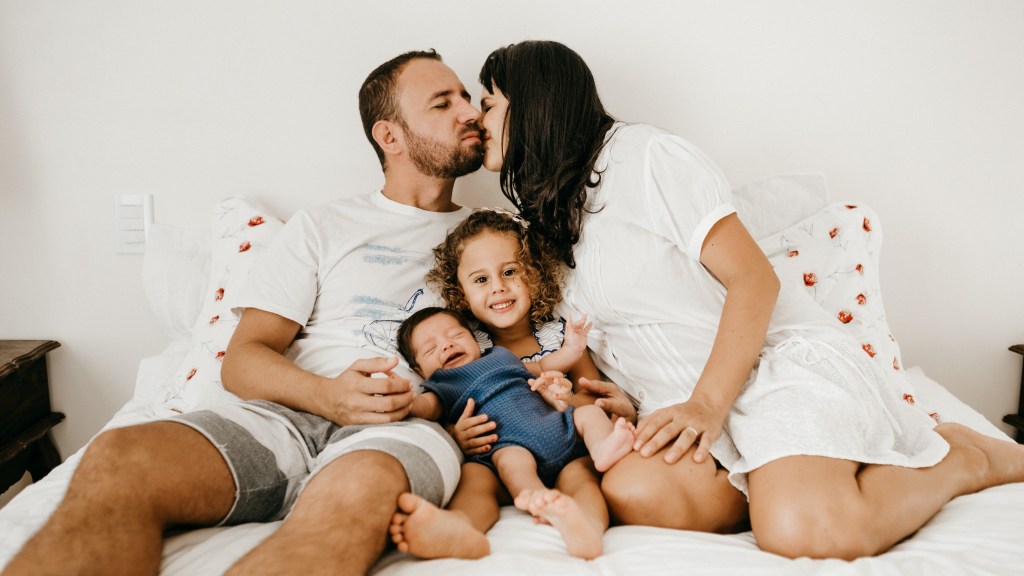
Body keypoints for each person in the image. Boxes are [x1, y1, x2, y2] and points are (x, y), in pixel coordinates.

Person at [473, 39, 1024, 560]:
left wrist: (707, 406)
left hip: (768, 371)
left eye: (489, 104)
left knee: (801, 531)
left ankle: (962, 457)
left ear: (535, 104)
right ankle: (782, 480)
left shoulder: (644, 157)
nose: (478, 120)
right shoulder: (548, 221)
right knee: (634, 489)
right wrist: (618, 394)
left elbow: (755, 280)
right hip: (677, 402)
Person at [4, 49, 498, 576]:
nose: (470, 112)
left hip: (404, 421)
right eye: (443, 103)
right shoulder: (324, 226)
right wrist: (327, 396)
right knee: (117, 459)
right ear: (390, 136)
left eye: (467, 98)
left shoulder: (496, 237)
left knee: (351, 498)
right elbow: (242, 360)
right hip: (286, 415)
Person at [391, 306, 635, 559]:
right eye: (430, 349)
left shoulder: (501, 356)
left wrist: (572, 348)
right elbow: (424, 407)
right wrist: (402, 396)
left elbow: (544, 365)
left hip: (558, 428)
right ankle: (463, 527)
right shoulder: (442, 385)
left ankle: (591, 509)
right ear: (419, 371)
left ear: (475, 340)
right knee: (478, 477)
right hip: (504, 447)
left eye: (456, 335)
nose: (447, 345)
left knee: (587, 429)